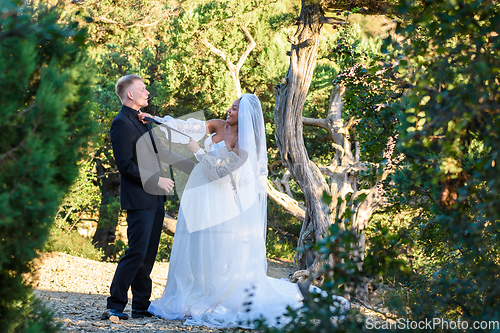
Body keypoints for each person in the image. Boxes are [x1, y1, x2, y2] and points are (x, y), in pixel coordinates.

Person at [139, 94, 349, 328]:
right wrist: (156, 119)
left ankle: (213, 296)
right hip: (198, 193)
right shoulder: (218, 124)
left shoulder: (246, 146)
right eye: (231, 106)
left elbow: (221, 173)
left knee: (216, 246)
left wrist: (198, 151)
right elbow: (187, 127)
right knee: (195, 242)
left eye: (235, 109)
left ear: (246, 116)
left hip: (219, 198)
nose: (229, 110)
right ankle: (194, 292)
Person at [101, 75, 195, 321]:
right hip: (139, 199)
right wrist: (157, 180)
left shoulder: (144, 121)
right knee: (136, 252)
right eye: (142, 88)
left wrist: (199, 168)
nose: (147, 91)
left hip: (155, 200)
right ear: (129, 94)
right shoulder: (121, 123)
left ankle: (141, 305)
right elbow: (125, 165)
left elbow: (163, 153)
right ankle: (115, 306)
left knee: (149, 254)